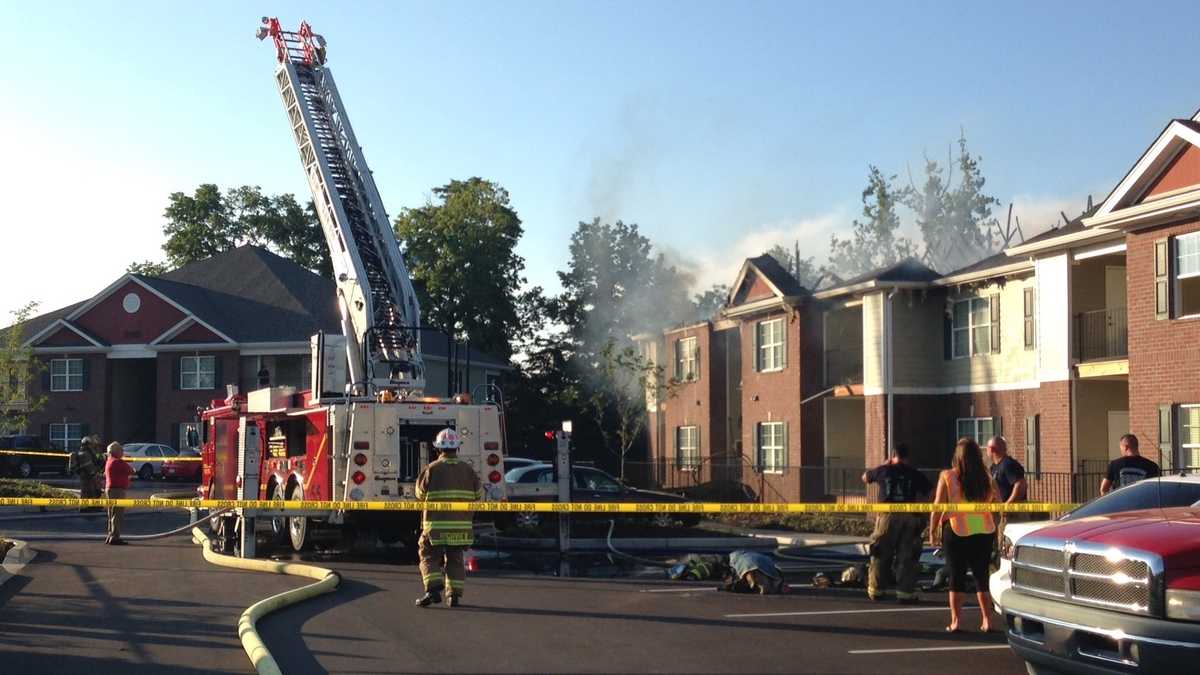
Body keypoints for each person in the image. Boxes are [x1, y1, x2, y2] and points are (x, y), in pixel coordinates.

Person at [930, 437, 998, 633]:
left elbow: (937, 506)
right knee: (981, 576)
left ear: (957, 456)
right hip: (982, 529)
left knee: (956, 576)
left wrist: (932, 530)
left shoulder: (948, 476)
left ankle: (956, 621)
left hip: (956, 529)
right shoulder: (987, 477)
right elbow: (998, 502)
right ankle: (987, 620)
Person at [414, 428, 481, 608]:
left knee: (427, 554)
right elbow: (478, 494)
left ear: (438, 448)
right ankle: (454, 596)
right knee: (455, 558)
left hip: (435, 526)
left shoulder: (431, 469)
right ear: (457, 448)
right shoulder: (468, 470)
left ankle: (433, 589)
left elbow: (419, 494)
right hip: (461, 525)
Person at [862, 443, 932, 603]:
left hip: (887, 516)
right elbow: (931, 491)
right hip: (910, 516)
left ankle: (876, 590)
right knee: (908, 555)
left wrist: (884, 464)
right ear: (908, 457)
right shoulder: (914, 474)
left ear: (893, 455)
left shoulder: (883, 470)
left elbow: (865, 477)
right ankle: (905, 593)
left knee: (880, 553)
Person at [987, 436, 1028, 543]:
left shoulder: (1008, 464)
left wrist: (1008, 504)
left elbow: (1021, 484)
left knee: (1010, 543)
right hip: (1002, 514)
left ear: (991, 449)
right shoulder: (994, 467)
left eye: (987, 448)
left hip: (1013, 514)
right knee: (1000, 543)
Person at [104, 442, 135, 545]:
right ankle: (115, 537)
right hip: (118, 490)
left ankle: (110, 535)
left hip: (109, 489)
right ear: (116, 451)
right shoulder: (118, 462)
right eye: (121, 450)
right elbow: (131, 471)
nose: (122, 452)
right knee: (117, 514)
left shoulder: (109, 461)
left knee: (111, 514)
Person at [722, 550, 787, 594]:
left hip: (748, 565)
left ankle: (757, 585)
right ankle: (757, 584)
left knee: (759, 580)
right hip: (752, 564)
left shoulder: (736, 558)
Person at [69, 435, 105, 513]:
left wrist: (101, 459)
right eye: (91, 444)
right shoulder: (84, 454)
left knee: (93, 491)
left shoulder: (88, 452)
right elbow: (89, 466)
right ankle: (84, 507)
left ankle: (93, 506)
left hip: (87, 476)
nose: (92, 446)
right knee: (87, 492)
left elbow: (96, 461)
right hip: (87, 476)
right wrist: (95, 474)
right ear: (87, 444)